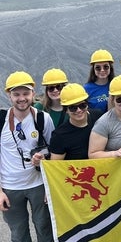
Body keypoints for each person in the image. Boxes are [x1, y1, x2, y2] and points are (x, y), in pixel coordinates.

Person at [0, 71, 54, 242]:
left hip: (38, 184)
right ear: (9, 95)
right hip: (10, 187)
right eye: (16, 94)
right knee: (18, 233)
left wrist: (50, 186)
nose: (21, 98)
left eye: (25, 93)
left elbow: (53, 152)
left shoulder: (43, 119)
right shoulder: (1, 120)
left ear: (33, 93)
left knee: (45, 228)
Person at [49, 83, 103, 160]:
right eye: (73, 108)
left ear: (87, 104)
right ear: (66, 110)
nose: (79, 110)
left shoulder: (98, 117)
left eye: (82, 105)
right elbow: (55, 166)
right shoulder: (59, 136)